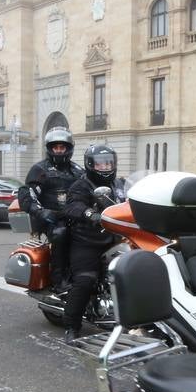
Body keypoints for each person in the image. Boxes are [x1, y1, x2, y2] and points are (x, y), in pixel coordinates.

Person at [61, 144, 122, 345]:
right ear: (89, 164)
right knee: (86, 280)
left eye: (108, 163)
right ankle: (72, 326)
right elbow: (73, 206)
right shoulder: (81, 185)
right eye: (100, 163)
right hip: (87, 242)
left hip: (115, 238)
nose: (105, 167)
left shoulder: (119, 184)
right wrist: (90, 214)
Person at [18, 127, 84, 290]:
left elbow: (88, 189)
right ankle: (58, 280)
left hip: (74, 216)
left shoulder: (78, 170)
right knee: (61, 234)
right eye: (56, 147)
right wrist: (40, 211)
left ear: (69, 148)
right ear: (49, 148)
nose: (59, 151)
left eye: (62, 147)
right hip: (51, 219)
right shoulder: (40, 170)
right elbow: (28, 194)